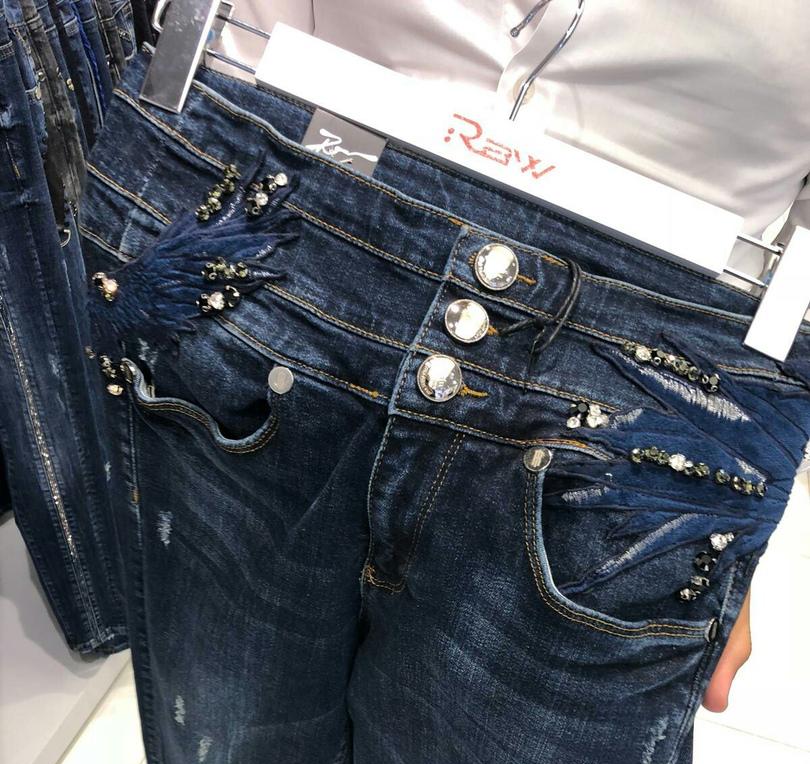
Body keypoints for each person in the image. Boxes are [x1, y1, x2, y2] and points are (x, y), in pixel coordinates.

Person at [222, 0, 810, 713]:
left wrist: (733, 481)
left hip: (655, 354)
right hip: (300, 231)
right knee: (234, 718)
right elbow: (249, 45)